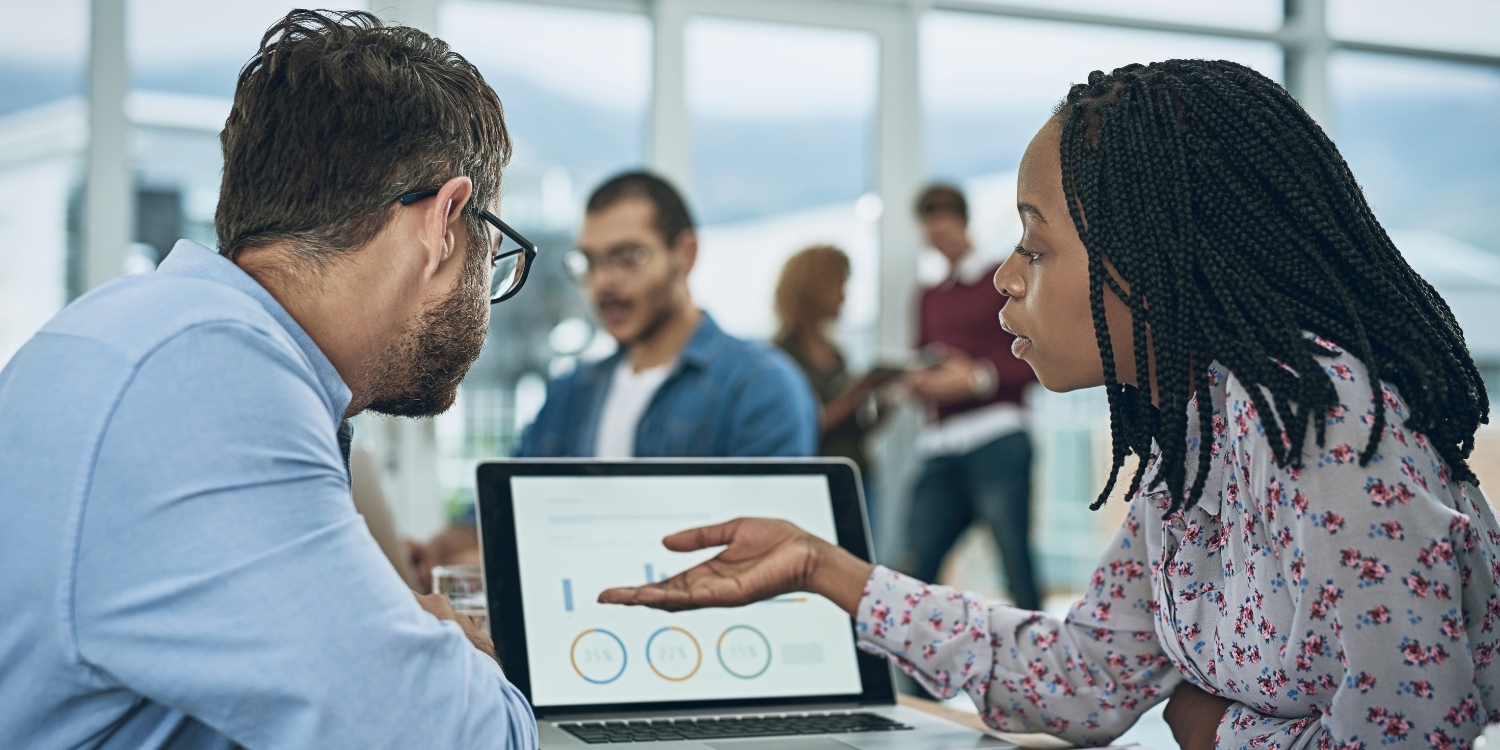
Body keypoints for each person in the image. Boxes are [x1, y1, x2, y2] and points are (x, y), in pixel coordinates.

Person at [599, 60, 1500, 750]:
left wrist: (1214, 731)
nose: (1005, 276)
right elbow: (1081, 681)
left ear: (1155, 253)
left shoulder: (1323, 421)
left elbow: (1412, 734)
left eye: (1035, 247)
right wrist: (819, 567)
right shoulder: (1193, 442)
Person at [0, 11, 536, 748]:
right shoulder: (207, 376)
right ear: (444, 222)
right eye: (493, 248)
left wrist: (388, 639)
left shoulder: (146, 334)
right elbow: (456, 737)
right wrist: (462, 661)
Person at [518, 171, 817, 458]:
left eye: (627, 257)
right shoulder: (570, 393)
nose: (601, 282)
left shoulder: (757, 387)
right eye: (590, 261)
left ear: (685, 254)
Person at [901, 184, 1042, 611]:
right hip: (940, 444)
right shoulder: (928, 296)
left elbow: (1037, 357)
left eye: (946, 231)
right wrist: (919, 382)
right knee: (916, 565)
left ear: (964, 223)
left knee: (1015, 564)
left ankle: (1037, 654)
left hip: (997, 438)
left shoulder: (1000, 282)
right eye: (932, 234)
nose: (940, 241)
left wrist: (979, 379)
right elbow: (922, 355)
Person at [772, 245, 899, 528]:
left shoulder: (835, 354)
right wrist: (859, 389)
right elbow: (801, 426)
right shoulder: (780, 359)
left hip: (856, 476)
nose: (843, 296)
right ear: (814, 289)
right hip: (816, 485)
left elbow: (850, 431)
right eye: (838, 285)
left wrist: (884, 406)